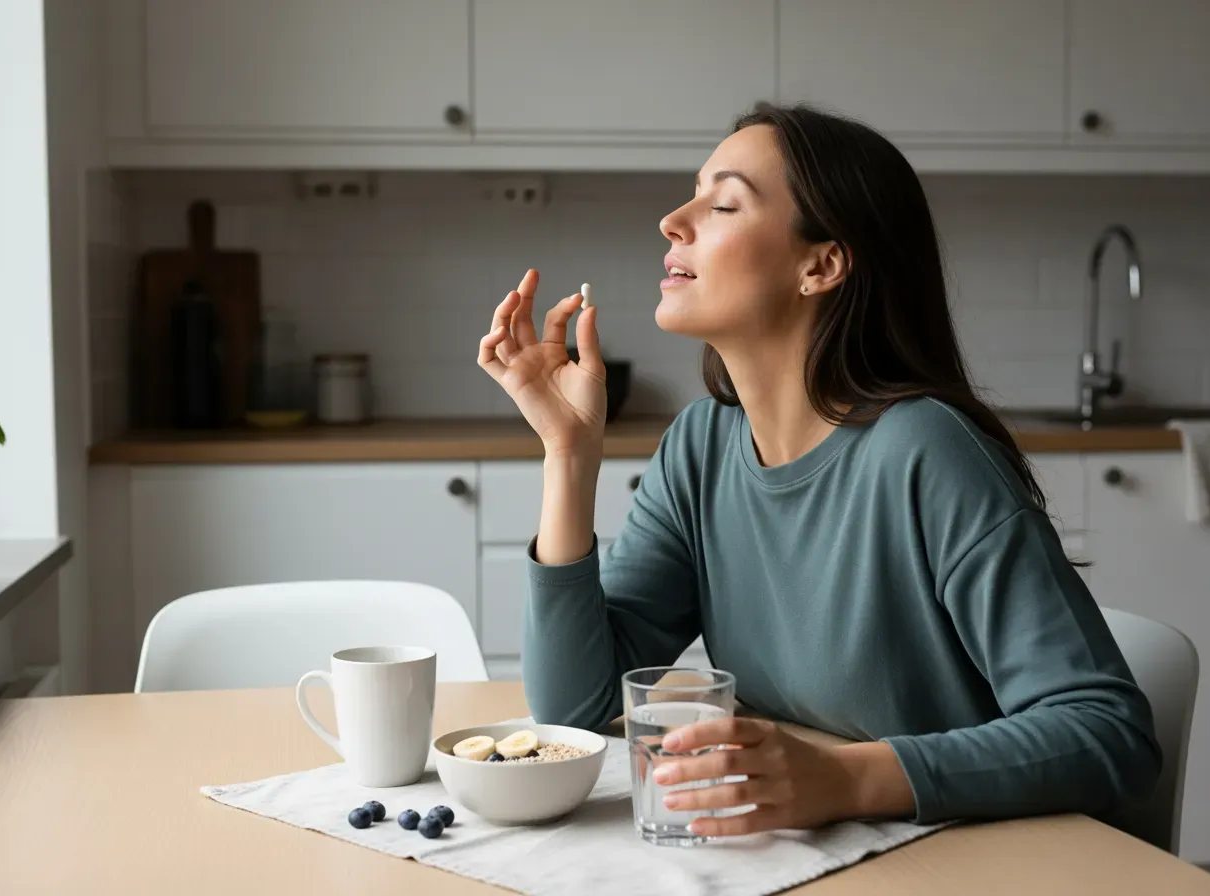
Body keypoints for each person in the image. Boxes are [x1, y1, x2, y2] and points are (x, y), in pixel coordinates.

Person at [475, 103, 1161, 838]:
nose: (673, 221)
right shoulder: (701, 447)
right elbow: (572, 707)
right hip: (807, 853)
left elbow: (1108, 731)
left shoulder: (926, 453)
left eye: (723, 204)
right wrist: (569, 454)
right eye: (692, 195)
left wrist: (844, 779)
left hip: (963, 859)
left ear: (821, 266)